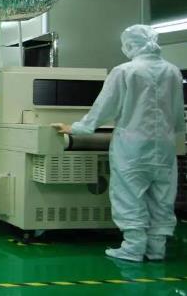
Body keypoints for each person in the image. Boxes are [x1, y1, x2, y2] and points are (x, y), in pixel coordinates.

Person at [53, 25, 185, 262]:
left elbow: (105, 106)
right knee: (162, 196)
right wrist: (172, 131)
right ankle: (157, 249)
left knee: (129, 195)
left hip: (133, 147)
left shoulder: (125, 71)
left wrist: (78, 128)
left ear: (131, 44)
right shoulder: (172, 71)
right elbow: (177, 113)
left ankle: (133, 248)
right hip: (165, 145)